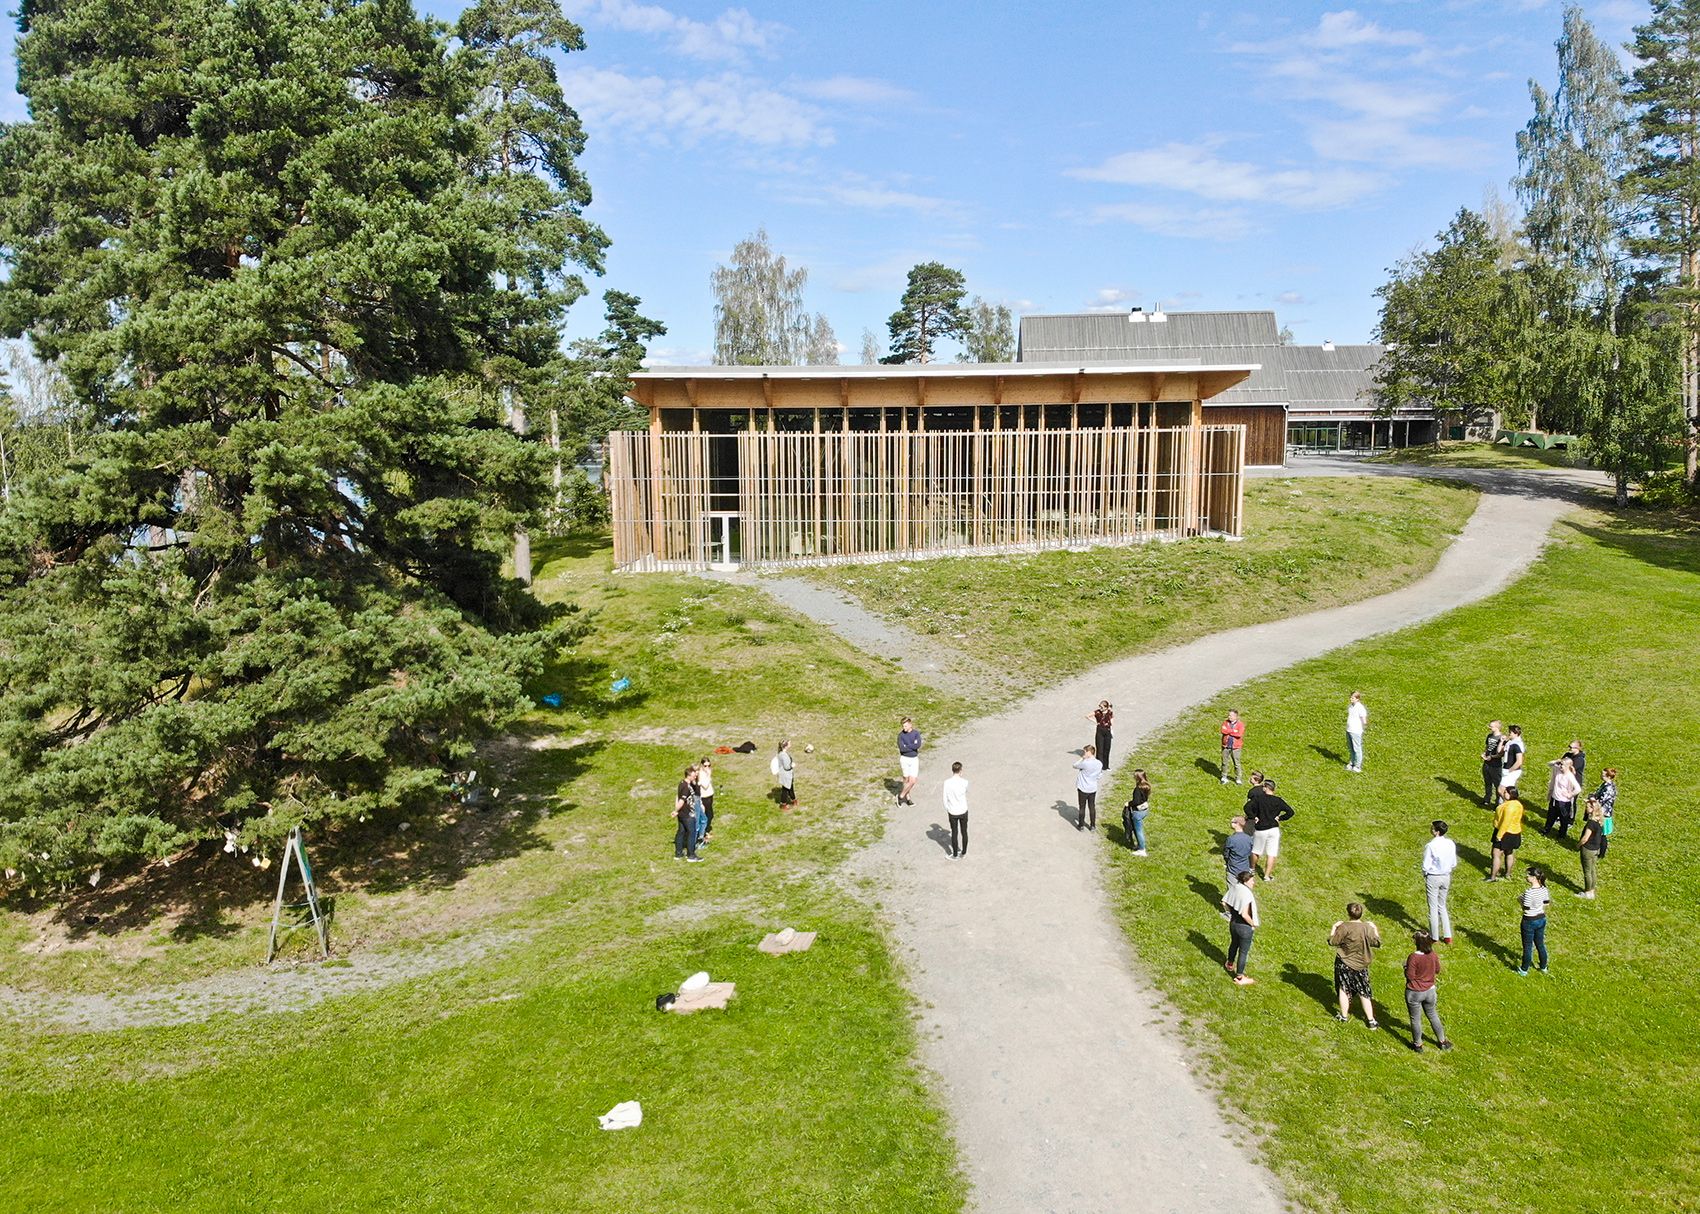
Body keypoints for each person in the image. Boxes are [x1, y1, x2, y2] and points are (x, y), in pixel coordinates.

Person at [1329, 902, 1382, 1027]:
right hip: (1361, 965)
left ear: (1348, 913)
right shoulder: (1366, 928)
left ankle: (1344, 1016)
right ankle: (1371, 1021)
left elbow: (1332, 941)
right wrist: (1374, 929)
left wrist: (1334, 928)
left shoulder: (1344, 927)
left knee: (1343, 988)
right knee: (1364, 992)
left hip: (1344, 962)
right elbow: (1377, 942)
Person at [1404, 932, 1453, 1053]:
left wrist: (1405, 968)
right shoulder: (1433, 955)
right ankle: (1442, 1042)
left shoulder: (1413, 957)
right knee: (1432, 1014)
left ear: (1417, 943)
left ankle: (1418, 1045)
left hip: (1414, 992)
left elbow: (1410, 976)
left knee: (1415, 1018)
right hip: (1430, 991)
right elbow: (1437, 970)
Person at [1246, 777, 1294, 882]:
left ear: (1266, 787)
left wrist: (1253, 817)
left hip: (1261, 828)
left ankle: (1252, 869)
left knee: (1256, 851)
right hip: (1273, 829)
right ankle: (1267, 876)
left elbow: (1247, 807)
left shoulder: (1259, 799)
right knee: (1272, 853)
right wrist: (1280, 818)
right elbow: (1290, 812)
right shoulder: (1278, 801)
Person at [1421, 820, 1457, 944]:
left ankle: (1434, 936)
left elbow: (1426, 864)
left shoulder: (1430, 846)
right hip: (1446, 876)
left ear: (1436, 832)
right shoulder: (1450, 843)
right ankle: (1447, 935)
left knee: (1433, 907)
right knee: (1442, 905)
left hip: (1433, 876)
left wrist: (1425, 873)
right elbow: (1453, 862)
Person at [1221, 869, 1259, 985]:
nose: (1254, 883)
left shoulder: (1235, 887)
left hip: (1233, 923)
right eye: (1252, 880)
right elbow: (1244, 914)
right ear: (1246, 881)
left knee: (1234, 943)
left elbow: (1224, 902)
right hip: (1244, 927)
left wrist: (1231, 913)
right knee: (1243, 952)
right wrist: (1253, 924)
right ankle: (1239, 977)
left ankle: (1230, 964)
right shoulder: (1247, 894)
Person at [1518, 866, 1551, 975]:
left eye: (1528, 875)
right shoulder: (1544, 889)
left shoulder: (1529, 892)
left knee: (1527, 947)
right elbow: (1546, 903)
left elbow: (1526, 908)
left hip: (1529, 921)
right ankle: (1543, 967)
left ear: (1533, 878)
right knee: (1540, 944)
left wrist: (1521, 900)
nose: (1526, 876)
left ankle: (1524, 970)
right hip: (1541, 918)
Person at [1488, 785, 1525, 881]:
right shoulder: (1518, 804)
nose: (1503, 793)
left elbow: (1505, 822)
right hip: (1515, 832)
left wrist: (1499, 836)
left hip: (1504, 832)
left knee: (1496, 854)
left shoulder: (1508, 807)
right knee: (1509, 852)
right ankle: (1508, 874)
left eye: (1505, 792)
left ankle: (1493, 877)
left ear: (1510, 794)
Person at [1544, 755, 1581, 838]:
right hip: (1554, 798)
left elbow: (1578, 789)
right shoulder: (1557, 770)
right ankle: (1546, 829)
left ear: (1568, 766)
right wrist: (1557, 761)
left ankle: (1562, 834)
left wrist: (1570, 794)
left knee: (1563, 819)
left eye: (1563, 765)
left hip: (1563, 802)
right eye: (1560, 764)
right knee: (1550, 816)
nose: (1561, 766)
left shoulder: (1569, 776)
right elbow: (1549, 764)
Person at [673, 764, 702, 862]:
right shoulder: (686, 787)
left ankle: (678, 853)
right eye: (694, 775)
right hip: (688, 815)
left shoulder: (681, 783)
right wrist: (675, 810)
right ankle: (691, 855)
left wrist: (677, 810)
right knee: (691, 833)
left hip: (681, 814)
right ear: (688, 775)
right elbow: (681, 800)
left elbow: (677, 797)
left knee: (681, 832)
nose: (695, 776)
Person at [1576, 798, 1604, 899]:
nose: (1586, 809)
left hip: (1587, 849)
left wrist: (1578, 845)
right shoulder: (1599, 821)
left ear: (1592, 809)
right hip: (1595, 849)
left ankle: (1587, 893)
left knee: (1587, 872)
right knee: (1592, 870)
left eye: (1587, 807)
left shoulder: (1591, 823)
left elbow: (1585, 838)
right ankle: (1592, 890)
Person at [942, 760, 969, 859]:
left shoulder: (947, 783)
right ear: (960, 770)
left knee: (954, 832)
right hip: (963, 810)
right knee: (964, 831)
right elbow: (966, 791)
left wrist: (948, 808)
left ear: (952, 770)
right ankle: (964, 852)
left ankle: (954, 854)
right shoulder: (965, 782)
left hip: (953, 811)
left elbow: (945, 798)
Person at [1121, 769, 1152, 855]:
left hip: (1137, 813)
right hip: (1144, 810)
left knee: (1138, 831)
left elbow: (1136, 801)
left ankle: (1142, 849)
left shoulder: (1137, 789)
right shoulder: (1146, 786)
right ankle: (1140, 846)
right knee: (1138, 829)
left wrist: (1128, 803)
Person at [1073, 744, 1103, 831]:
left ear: (1089, 752)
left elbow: (1075, 765)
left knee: (1082, 807)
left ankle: (1081, 825)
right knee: (1092, 806)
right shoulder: (1099, 763)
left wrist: (1082, 758)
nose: (1084, 753)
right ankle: (1092, 825)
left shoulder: (1085, 763)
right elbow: (1100, 774)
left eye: (1085, 752)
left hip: (1083, 788)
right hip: (1092, 788)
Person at [1223, 814, 1254, 888]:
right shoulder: (1249, 839)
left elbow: (1226, 854)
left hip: (1233, 869)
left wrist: (1227, 861)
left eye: (1232, 822)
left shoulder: (1231, 839)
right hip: (1245, 869)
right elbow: (1250, 852)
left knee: (1232, 892)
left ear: (1237, 824)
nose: (1231, 823)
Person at [897, 717, 922, 807]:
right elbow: (902, 748)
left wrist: (907, 746)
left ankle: (901, 795)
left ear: (910, 725)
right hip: (904, 759)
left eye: (906, 726)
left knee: (913, 781)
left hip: (914, 759)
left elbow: (917, 745)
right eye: (903, 726)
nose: (904, 728)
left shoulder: (916, 733)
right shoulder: (901, 735)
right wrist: (911, 746)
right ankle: (908, 797)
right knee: (906, 779)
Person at [1481, 720, 1505, 808]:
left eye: (1491, 726)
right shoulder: (1489, 736)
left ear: (1497, 727)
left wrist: (1492, 757)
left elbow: (1502, 753)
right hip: (1487, 763)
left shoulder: (1502, 738)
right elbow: (1487, 747)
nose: (1489, 727)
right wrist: (1484, 754)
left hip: (1496, 765)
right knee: (1487, 783)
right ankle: (1487, 799)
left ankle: (1498, 803)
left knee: (1497, 785)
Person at [1594, 767, 1618, 858]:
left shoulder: (1609, 788)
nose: (1601, 776)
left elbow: (1601, 800)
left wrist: (1593, 799)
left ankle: (1602, 854)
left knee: (1602, 835)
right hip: (1601, 811)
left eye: (1603, 775)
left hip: (1604, 813)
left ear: (1608, 776)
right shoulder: (1605, 784)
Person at [1499, 724, 1526, 795]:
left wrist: (1510, 770)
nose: (1509, 734)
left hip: (1512, 771)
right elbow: (1499, 751)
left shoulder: (1517, 744)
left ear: (1516, 733)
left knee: (1502, 790)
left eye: (1510, 732)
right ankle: (1505, 805)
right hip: (1507, 769)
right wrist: (1502, 741)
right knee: (1505, 791)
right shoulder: (1510, 743)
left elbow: (1519, 761)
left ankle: (1510, 805)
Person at [1219, 710, 1245, 784]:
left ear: (1235, 716)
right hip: (1226, 746)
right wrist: (1233, 731)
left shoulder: (1240, 724)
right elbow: (1223, 731)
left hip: (1236, 747)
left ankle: (1238, 778)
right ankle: (1224, 777)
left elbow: (1239, 734)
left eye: (1230, 715)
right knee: (1224, 762)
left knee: (1237, 763)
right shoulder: (1225, 722)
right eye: (1228, 715)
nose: (1229, 717)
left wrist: (1229, 731)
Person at [1345, 690, 1368, 773]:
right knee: (1351, 748)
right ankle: (1351, 763)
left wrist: (1363, 726)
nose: (1351, 699)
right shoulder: (1350, 706)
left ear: (1357, 699)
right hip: (1349, 730)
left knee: (1357, 748)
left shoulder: (1360, 708)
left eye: (1353, 698)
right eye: (1350, 697)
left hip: (1356, 731)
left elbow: (1364, 720)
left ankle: (1357, 766)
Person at [696, 755, 716, 847]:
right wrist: (709, 775)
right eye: (705, 766)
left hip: (709, 795)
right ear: (701, 765)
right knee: (705, 815)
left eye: (709, 765)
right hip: (704, 796)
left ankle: (706, 831)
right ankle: (703, 833)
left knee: (710, 813)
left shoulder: (706, 772)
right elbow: (705, 785)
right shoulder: (701, 773)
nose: (707, 767)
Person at [773, 739, 797, 810]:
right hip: (786, 775)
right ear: (786, 746)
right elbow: (787, 767)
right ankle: (783, 805)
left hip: (785, 775)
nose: (790, 744)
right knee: (785, 790)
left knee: (790, 788)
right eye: (789, 743)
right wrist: (792, 765)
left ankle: (794, 800)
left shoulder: (781, 753)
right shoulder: (784, 755)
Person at [1092, 701, 1114, 771]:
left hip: (1107, 731)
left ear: (1106, 707)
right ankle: (1099, 766)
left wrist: (1111, 728)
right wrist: (1096, 722)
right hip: (1100, 731)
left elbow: (1112, 720)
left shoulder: (1110, 713)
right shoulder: (1098, 712)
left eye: (1102, 707)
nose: (1100, 708)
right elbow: (1087, 716)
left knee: (1107, 749)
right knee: (1100, 749)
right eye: (1100, 706)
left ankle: (1106, 766)